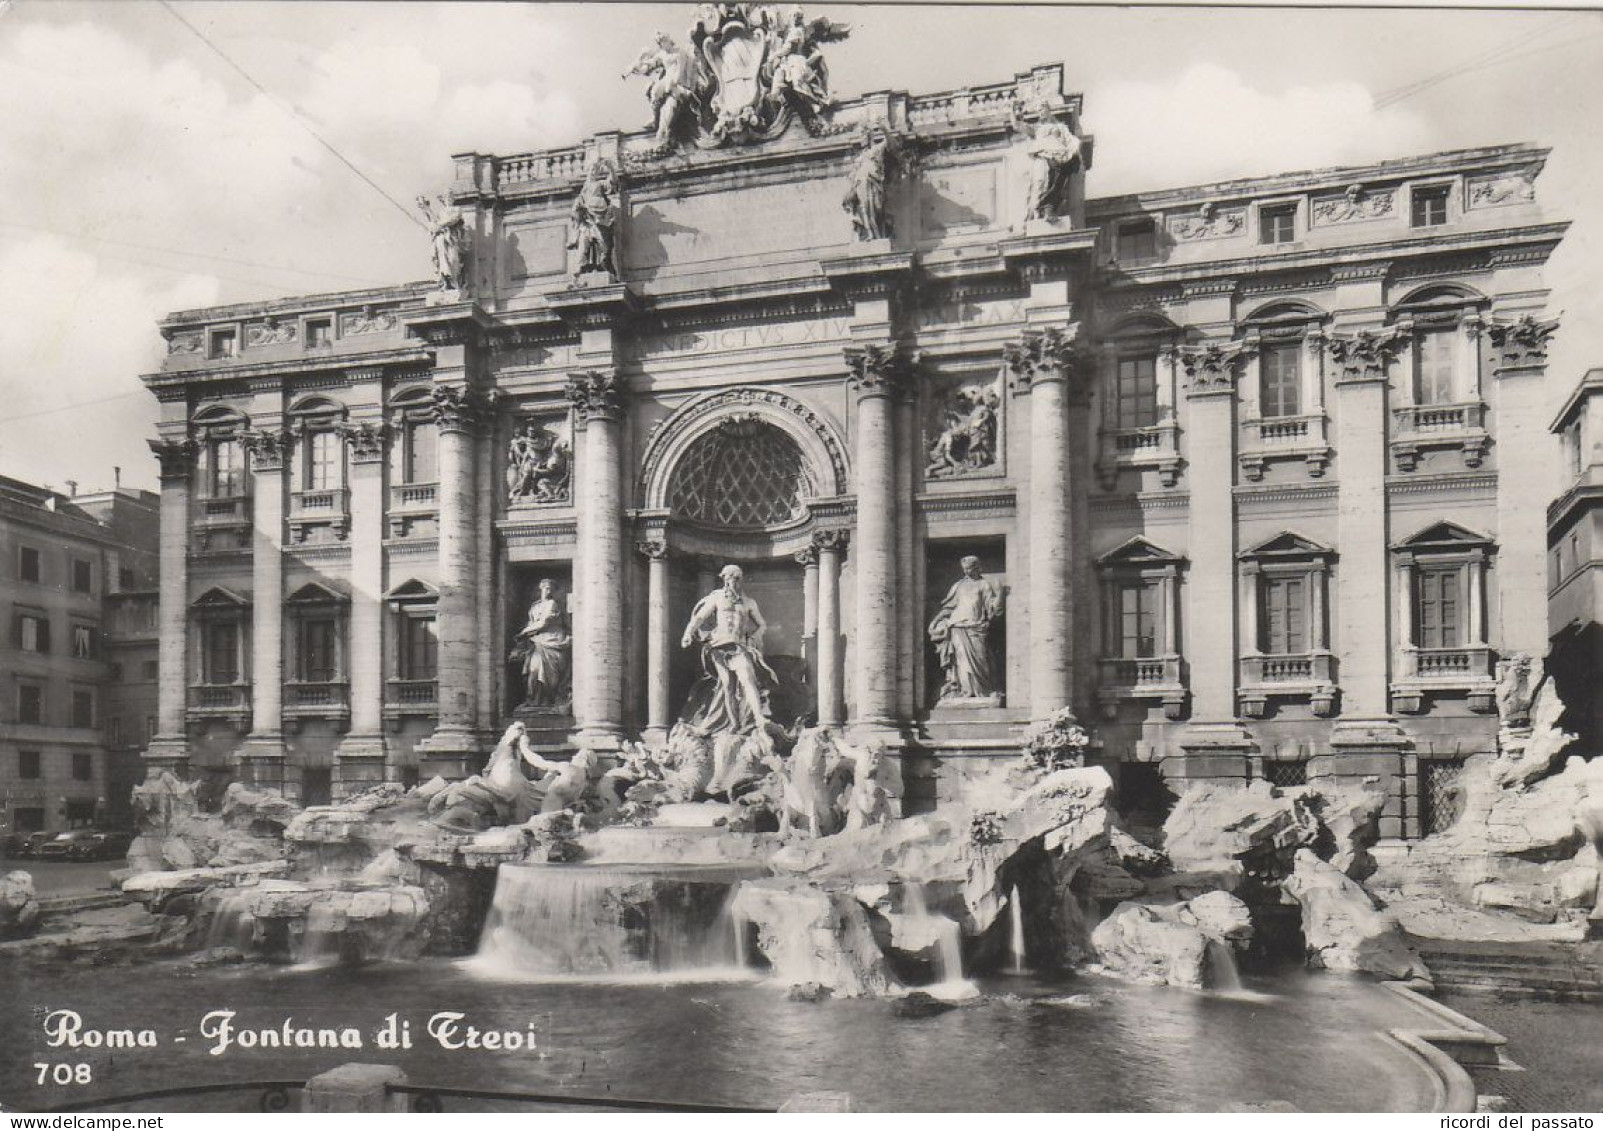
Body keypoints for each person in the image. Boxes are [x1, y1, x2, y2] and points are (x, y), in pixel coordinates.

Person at [679, 564, 776, 738]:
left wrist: (756, 636)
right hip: (719, 646)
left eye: (736, 578)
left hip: (738, 646)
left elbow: (762, 624)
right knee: (728, 686)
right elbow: (700, 616)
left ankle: (759, 717)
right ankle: (734, 723)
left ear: (741, 580)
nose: (732, 581)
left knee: (748, 679)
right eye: (729, 577)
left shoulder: (749, 602)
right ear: (723, 578)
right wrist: (688, 632)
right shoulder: (716, 598)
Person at [928, 556, 1004, 701]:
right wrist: (936, 621)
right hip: (957, 626)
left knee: (980, 659)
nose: (966, 571)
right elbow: (949, 607)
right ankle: (965, 691)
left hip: (976, 626)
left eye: (969, 568)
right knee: (961, 661)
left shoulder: (983, 585)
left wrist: (999, 596)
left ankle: (983, 691)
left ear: (977, 568)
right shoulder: (958, 586)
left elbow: (991, 607)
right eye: (964, 568)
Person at [510, 580, 572, 708]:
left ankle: (547, 701)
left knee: (551, 674)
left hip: (553, 640)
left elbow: (544, 623)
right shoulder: (535, 606)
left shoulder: (552, 604)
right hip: (537, 642)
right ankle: (533, 700)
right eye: (546, 588)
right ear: (541, 589)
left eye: (551, 589)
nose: (548, 591)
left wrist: (523, 633)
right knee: (534, 670)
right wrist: (527, 632)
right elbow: (531, 622)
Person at [842, 130, 891, 241]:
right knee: (863, 209)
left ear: (869, 138)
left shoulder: (876, 149)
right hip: (860, 184)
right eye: (861, 136)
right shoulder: (859, 158)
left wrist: (884, 129)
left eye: (864, 136)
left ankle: (876, 234)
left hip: (872, 182)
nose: (862, 139)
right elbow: (852, 175)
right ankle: (870, 234)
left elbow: (888, 141)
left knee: (873, 209)